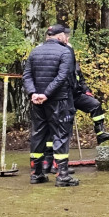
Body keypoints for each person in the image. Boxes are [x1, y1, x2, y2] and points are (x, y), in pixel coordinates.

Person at [33, 44, 109, 177]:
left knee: (95, 104)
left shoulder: (75, 65)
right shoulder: (59, 63)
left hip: (76, 95)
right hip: (64, 98)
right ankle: (52, 163)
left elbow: (81, 80)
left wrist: (87, 91)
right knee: (59, 129)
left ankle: (100, 132)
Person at [23, 24, 79, 186]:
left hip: (37, 102)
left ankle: (37, 173)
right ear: (60, 36)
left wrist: (34, 93)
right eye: (65, 36)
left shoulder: (34, 51)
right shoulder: (65, 52)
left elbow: (26, 75)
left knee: (38, 135)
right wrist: (46, 94)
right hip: (58, 101)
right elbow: (63, 77)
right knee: (61, 135)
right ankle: (62, 176)